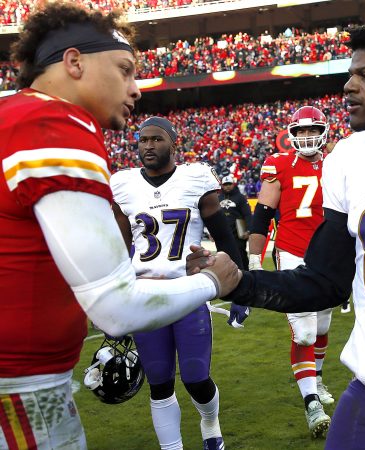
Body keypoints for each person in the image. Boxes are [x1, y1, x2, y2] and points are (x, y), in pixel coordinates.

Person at [189, 17, 365, 449]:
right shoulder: (348, 159)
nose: (349, 86)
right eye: (350, 73)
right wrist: (241, 283)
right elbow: (325, 280)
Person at [0, 4, 239, 449]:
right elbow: (114, 306)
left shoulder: (14, 116)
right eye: (125, 70)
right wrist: (213, 281)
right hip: (20, 384)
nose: (135, 89)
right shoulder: (53, 123)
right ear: (74, 63)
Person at [110, 117, 249, 450]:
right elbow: (118, 247)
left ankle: (210, 422)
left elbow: (225, 236)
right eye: (143, 140)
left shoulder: (195, 178)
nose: (148, 146)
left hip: (188, 292)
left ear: (174, 143)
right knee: (158, 383)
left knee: (196, 377)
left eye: (156, 139)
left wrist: (241, 288)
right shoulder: (124, 184)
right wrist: (115, 298)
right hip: (146, 296)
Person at [248, 106, 334, 438]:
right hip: (293, 253)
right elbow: (263, 213)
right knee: (306, 333)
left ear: (324, 132)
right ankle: (312, 403)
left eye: (313, 129)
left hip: (328, 254)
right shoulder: (279, 164)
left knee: (323, 324)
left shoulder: (338, 164)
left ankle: (319, 377)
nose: (307, 136)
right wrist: (255, 259)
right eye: (300, 131)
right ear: (291, 134)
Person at [219, 175, 253, 270]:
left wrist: (249, 230)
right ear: (222, 185)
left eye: (229, 184)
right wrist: (211, 232)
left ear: (233, 184)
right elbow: (214, 217)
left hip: (238, 232)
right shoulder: (218, 198)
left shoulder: (240, 198)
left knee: (240, 255)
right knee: (222, 256)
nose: (227, 186)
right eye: (225, 184)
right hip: (223, 233)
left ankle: (245, 275)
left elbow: (247, 214)